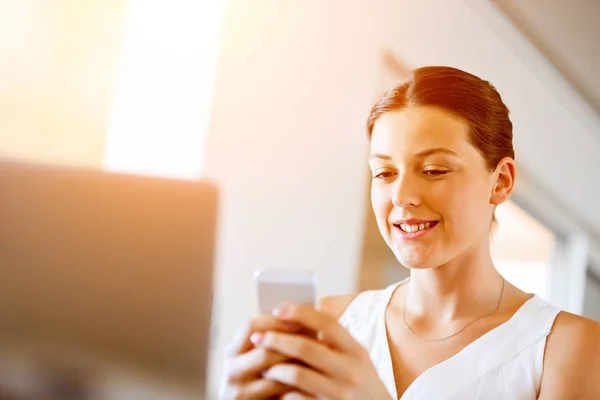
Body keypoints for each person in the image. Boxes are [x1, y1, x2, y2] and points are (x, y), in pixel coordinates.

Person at [220, 66, 600, 399]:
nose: (401, 197)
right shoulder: (330, 325)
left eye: (434, 170)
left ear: (500, 181)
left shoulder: (568, 347)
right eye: (384, 173)